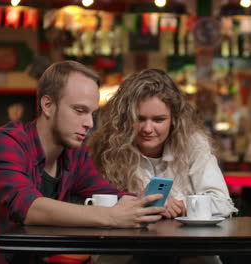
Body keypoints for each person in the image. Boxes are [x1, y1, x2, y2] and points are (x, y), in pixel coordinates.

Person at [0, 61, 164, 264]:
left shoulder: (74, 156)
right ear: (48, 105)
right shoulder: (6, 144)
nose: (89, 123)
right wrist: (111, 216)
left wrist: (147, 203)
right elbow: (29, 207)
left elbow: (108, 195)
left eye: (92, 113)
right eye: (80, 111)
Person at [87, 69, 237, 264]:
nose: (148, 129)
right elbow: (95, 207)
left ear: (174, 119)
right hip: (125, 253)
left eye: (158, 119)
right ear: (125, 118)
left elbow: (223, 204)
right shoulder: (107, 147)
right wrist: (148, 204)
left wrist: (179, 205)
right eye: (140, 119)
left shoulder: (194, 143)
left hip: (189, 252)